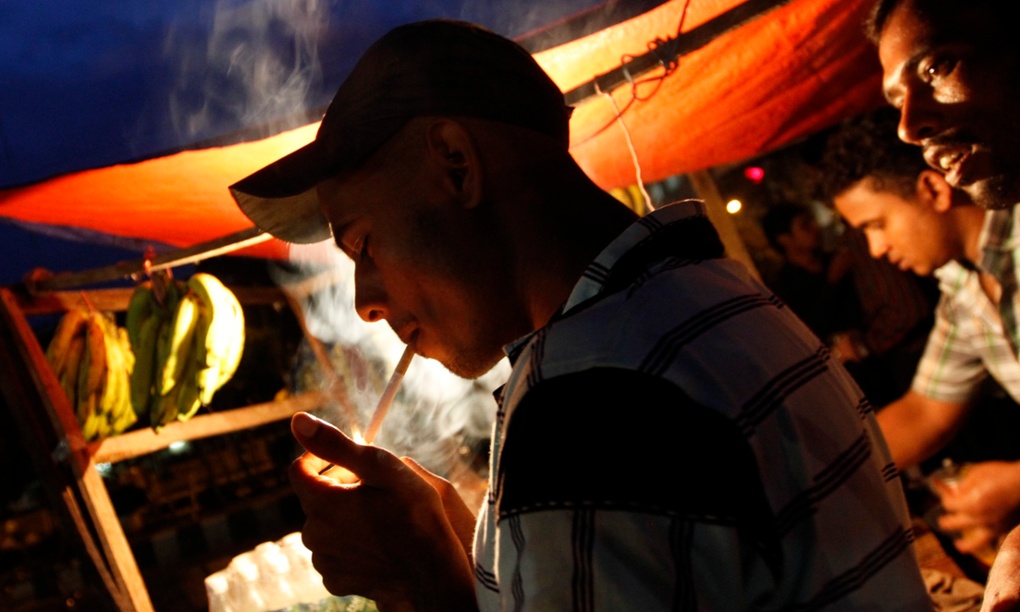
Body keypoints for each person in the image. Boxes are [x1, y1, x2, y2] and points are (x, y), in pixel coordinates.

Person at [228, 19, 929, 610]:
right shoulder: (706, 293)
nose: (365, 300)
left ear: (455, 164)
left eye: (364, 244)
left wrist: (426, 583)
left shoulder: (593, 403)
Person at [818, 107, 1020, 567]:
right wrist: (811, 476)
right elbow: (925, 411)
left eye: (876, 224)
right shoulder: (963, 288)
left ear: (932, 188)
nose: (876, 249)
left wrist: (1014, 484)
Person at [870, 0, 1020, 604]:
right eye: (895, 99)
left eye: (937, 67)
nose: (908, 127)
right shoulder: (965, 288)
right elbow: (924, 412)